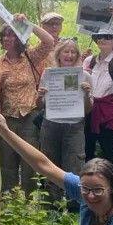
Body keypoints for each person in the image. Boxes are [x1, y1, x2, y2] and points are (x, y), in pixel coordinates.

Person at [0, 14, 56, 193]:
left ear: (19, 37)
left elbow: (49, 42)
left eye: (12, 34)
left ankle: (27, 203)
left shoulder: (30, 56)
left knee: (29, 163)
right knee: (7, 163)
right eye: (5, 36)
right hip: (7, 119)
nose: (8, 38)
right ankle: (10, 205)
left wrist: (28, 23)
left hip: (29, 117)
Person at [37, 39, 92, 202]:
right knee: (50, 163)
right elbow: (40, 105)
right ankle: (52, 204)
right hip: (50, 125)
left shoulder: (85, 76)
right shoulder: (49, 74)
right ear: (59, 54)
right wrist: (40, 96)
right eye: (65, 52)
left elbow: (88, 110)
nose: (69, 55)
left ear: (77, 55)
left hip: (74, 126)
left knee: (74, 165)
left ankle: (74, 204)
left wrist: (87, 95)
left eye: (73, 52)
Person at [83, 5, 113, 181]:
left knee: (112, 157)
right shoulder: (89, 60)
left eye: (108, 37)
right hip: (89, 111)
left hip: (108, 115)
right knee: (87, 154)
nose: (103, 39)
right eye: (100, 36)